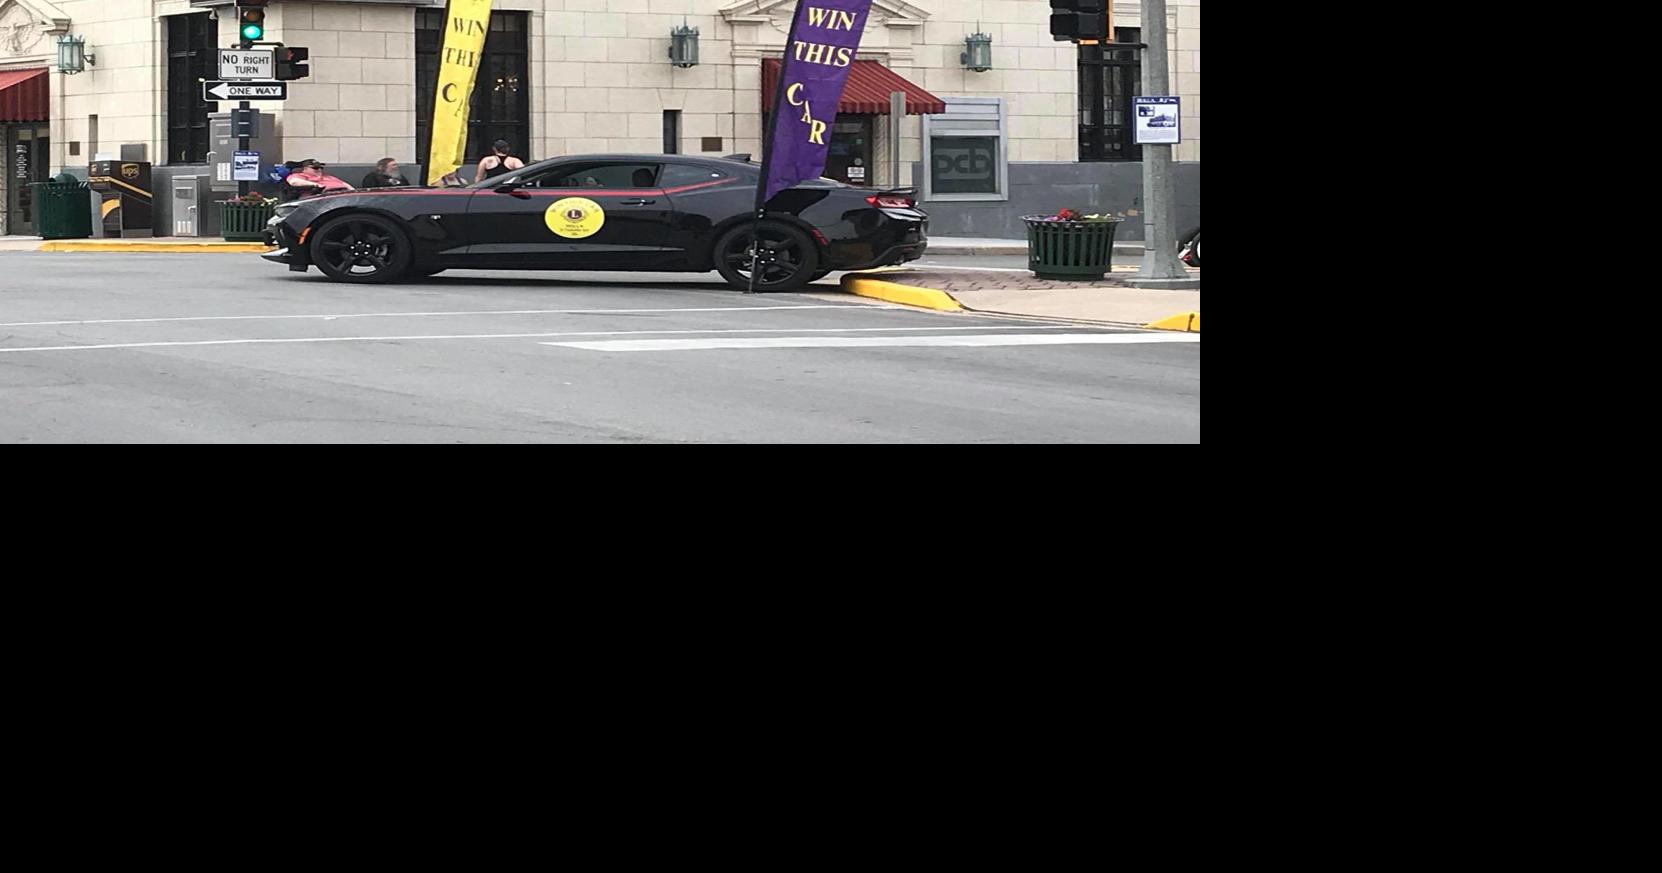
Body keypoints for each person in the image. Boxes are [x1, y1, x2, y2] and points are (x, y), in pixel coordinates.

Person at [285, 159, 352, 198]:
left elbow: (344, 184)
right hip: (323, 198)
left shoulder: (327, 176)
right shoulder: (300, 175)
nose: (319, 170)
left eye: (321, 168)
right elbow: (294, 182)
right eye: (315, 168)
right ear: (305, 169)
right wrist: (315, 184)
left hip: (343, 196)